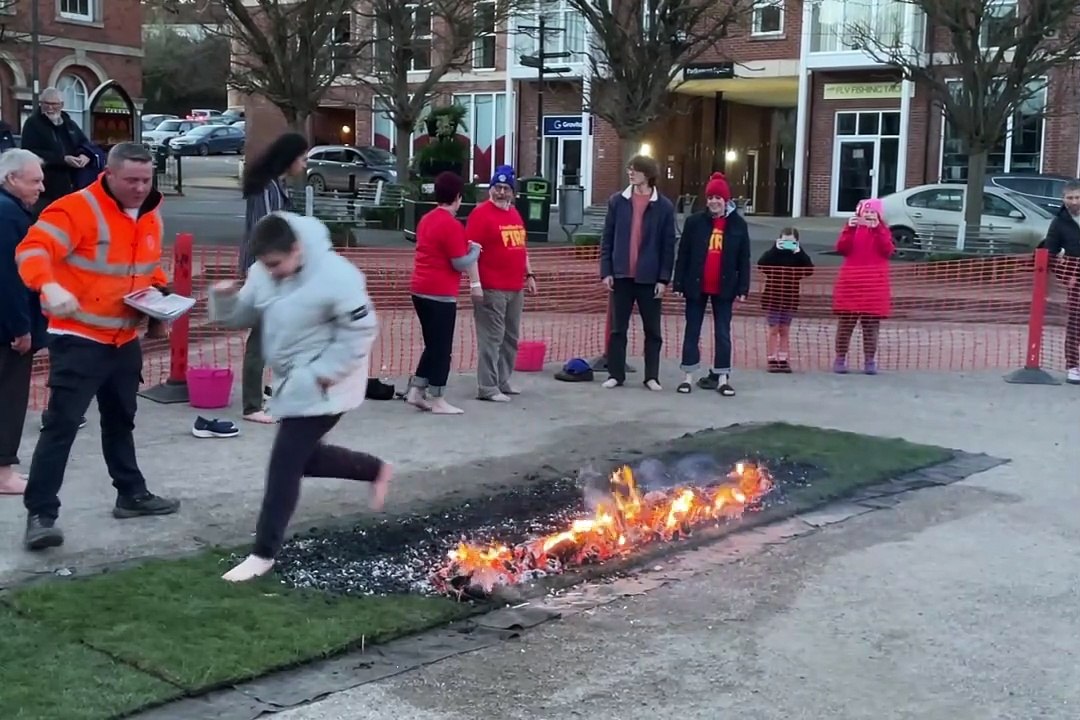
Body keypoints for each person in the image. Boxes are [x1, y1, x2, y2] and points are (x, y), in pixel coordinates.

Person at [207, 211, 392, 582]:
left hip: (331, 382)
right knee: (303, 459)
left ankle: (263, 553)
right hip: (294, 382)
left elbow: (362, 331)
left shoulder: (339, 277)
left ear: (296, 248)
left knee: (284, 465)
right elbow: (244, 313)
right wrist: (225, 300)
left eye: (276, 264)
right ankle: (375, 469)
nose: (271, 272)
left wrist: (326, 373)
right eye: (265, 265)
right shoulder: (264, 271)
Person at [16, 142, 181, 550]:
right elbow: (32, 250)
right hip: (79, 339)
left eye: (146, 180)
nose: (140, 188)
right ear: (108, 174)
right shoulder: (74, 209)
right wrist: (49, 285)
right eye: (131, 180)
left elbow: (146, 265)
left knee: (121, 420)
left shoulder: (150, 213)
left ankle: (132, 493)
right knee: (61, 427)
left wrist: (159, 293)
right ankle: (41, 514)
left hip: (124, 339)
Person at [237, 132, 309, 423]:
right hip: (265, 271)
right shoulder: (268, 189)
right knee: (261, 338)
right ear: (290, 158)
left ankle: (261, 394)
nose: (304, 165)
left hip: (266, 269)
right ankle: (252, 405)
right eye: (303, 159)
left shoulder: (271, 185)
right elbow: (266, 234)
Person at [405, 172, 482, 414]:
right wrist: (476, 252)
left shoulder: (426, 219)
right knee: (442, 348)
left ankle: (417, 389)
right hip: (440, 293)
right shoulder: (452, 225)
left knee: (433, 345)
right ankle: (437, 397)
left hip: (420, 289)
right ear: (458, 197)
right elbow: (459, 262)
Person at [599, 154, 677, 391]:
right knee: (617, 328)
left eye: (636, 170)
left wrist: (663, 278)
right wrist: (606, 271)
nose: (630, 173)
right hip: (622, 275)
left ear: (648, 174)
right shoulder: (617, 201)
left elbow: (668, 244)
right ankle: (616, 374)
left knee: (652, 330)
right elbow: (607, 239)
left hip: (649, 278)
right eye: (629, 169)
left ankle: (651, 376)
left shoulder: (664, 206)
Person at [672, 172, 750, 396]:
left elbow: (743, 259)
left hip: (725, 287)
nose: (714, 202)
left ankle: (723, 377)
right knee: (692, 330)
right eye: (710, 197)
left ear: (726, 200)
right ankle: (688, 376)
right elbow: (684, 254)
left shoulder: (738, 225)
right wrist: (678, 282)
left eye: (718, 197)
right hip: (695, 285)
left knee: (723, 333)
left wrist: (743, 287)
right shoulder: (694, 222)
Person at [466, 164, 537, 402]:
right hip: (491, 287)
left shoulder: (514, 214)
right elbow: (471, 252)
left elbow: (521, 247)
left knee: (510, 337)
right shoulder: (480, 215)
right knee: (492, 337)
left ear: (513, 192)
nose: (501, 193)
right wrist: (475, 284)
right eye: (497, 187)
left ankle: (502, 379)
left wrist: (530, 274)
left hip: (515, 287)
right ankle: (487, 386)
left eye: (506, 188)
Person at [0, 150, 46, 495]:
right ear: (11, 179)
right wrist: (21, 328)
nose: (42, 188)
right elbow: (10, 278)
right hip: (7, 329)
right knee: (9, 398)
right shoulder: (9, 215)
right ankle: (2, 474)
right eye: (35, 181)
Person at [832, 198, 894, 375]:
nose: (868, 215)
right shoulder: (853, 229)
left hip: (874, 285)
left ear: (878, 215)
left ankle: (869, 360)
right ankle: (840, 358)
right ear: (859, 213)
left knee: (871, 325)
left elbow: (887, 250)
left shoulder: (883, 231)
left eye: (872, 212)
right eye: (865, 212)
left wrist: (878, 230)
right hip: (851, 282)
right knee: (845, 324)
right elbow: (842, 248)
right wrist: (848, 229)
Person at [20, 87, 92, 212]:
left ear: (62, 105)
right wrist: (63, 160)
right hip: (46, 189)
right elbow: (29, 152)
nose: (50, 108)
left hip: (72, 187)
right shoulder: (33, 124)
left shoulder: (69, 124)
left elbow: (84, 143)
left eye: (54, 104)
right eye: (46, 104)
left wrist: (84, 155)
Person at [758, 227, 815, 373]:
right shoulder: (773, 254)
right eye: (784, 241)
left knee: (785, 330)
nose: (787, 245)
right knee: (773, 329)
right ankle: (771, 358)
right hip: (773, 296)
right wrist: (775, 249)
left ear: (796, 242)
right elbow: (761, 264)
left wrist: (799, 252)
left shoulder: (798, 255)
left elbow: (809, 270)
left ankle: (783, 359)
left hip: (790, 297)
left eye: (791, 242)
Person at [1043, 179, 1080, 385]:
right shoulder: (1059, 222)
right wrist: (1067, 277)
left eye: (1077, 197)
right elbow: (1049, 253)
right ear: (1063, 198)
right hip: (1077, 275)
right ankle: (1073, 366)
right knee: (1076, 321)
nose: (1074, 202)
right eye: (1070, 198)